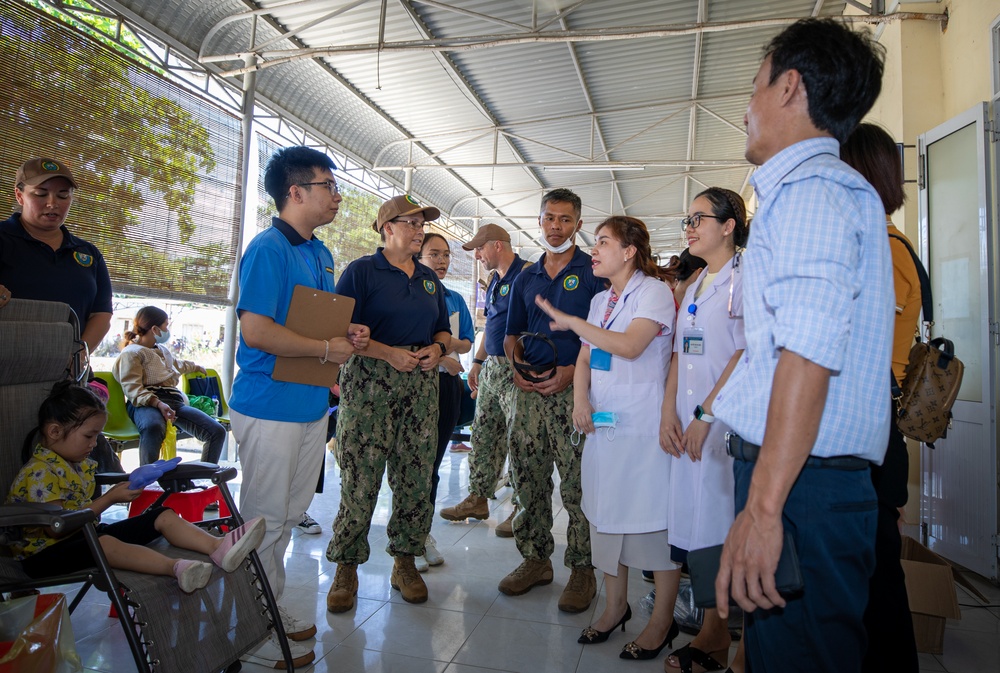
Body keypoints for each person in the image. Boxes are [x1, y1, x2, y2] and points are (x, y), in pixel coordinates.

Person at [712, 18, 889, 673]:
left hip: (799, 486)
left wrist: (763, 507)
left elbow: (806, 355)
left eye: (755, 85)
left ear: (789, 87)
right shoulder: (807, 194)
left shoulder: (813, 193)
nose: (747, 107)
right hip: (798, 477)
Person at [229, 146, 369, 668]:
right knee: (264, 518)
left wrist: (345, 335)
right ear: (295, 192)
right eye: (328, 186)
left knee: (287, 516)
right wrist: (322, 349)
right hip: (269, 406)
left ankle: (267, 606)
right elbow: (257, 330)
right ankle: (250, 624)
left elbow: (312, 324)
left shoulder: (318, 252)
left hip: (310, 403)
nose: (336, 195)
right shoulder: (269, 249)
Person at [536, 216, 677, 659]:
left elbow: (631, 346)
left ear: (630, 250)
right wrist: (581, 401)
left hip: (641, 430)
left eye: (602, 242)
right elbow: (584, 358)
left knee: (651, 525)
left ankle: (661, 622)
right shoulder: (600, 301)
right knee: (605, 519)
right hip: (604, 425)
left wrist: (573, 322)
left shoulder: (653, 292)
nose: (593, 250)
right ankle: (616, 607)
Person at [7, 382, 265, 593]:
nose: (94, 443)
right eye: (89, 436)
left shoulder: (74, 464)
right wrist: (109, 499)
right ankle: (176, 568)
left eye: (97, 436)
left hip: (84, 537)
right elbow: (57, 527)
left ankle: (218, 547)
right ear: (54, 431)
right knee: (105, 543)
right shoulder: (40, 471)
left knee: (160, 515)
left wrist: (133, 480)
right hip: (41, 556)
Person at [326, 194, 451, 610]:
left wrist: (437, 348)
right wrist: (387, 353)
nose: (419, 230)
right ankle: (346, 568)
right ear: (387, 228)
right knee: (361, 479)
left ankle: (405, 561)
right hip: (370, 383)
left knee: (415, 478)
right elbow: (340, 331)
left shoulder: (431, 280)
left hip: (420, 384)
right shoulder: (362, 271)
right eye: (411, 223)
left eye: (421, 224)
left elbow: (443, 331)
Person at [499, 188, 603, 613]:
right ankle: (535, 559)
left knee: (578, 483)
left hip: (574, 391)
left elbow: (604, 338)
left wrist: (570, 375)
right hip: (529, 393)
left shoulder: (594, 272)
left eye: (565, 219)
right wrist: (518, 366)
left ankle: (583, 568)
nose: (556, 226)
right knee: (527, 477)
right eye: (549, 218)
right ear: (538, 222)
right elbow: (510, 337)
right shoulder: (526, 277)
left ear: (579, 224)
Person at [841, 122, 920, 673]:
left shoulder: (887, 252)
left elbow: (861, 343)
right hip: (863, 414)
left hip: (873, 417)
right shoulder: (873, 245)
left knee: (877, 570)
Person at [658, 188, 748, 673]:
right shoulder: (694, 286)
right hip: (689, 425)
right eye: (686, 219)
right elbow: (679, 354)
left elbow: (745, 352)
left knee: (725, 527)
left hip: (724, 425)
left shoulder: (744, 276)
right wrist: (669, 412)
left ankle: (734, 640)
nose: (689, 227)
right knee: (697, 530)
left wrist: (706, 414)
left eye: (699, 218)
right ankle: (713, 632)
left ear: (729, 225)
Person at [439, 223, 529, 538]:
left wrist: (523, 367)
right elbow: (491, 324)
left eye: (480, 249)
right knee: (484, 435)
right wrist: (477, 362)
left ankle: (523, 508)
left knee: (519, 439)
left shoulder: (527, 276)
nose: (477, 256)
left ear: (497, 246)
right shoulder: (494, 280)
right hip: (491, 367)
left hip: (516, 368)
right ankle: (478, 498)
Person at [0, 158, 112, 353]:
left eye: (63, 195)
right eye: (40, 194)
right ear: (19, 196)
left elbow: (101, 314)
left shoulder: (88, 253)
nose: (52, 204)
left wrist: (77, 357)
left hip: (67, 372)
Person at [415, 232, 474, 571]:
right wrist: (441, 357)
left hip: (447, 387)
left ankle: (423, 534)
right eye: (434, 254)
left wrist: (447, 345)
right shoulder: (410, 296)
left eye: (446, 255)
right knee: (413, 466)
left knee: (433, 466)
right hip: (416, 385)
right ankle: (407, 538)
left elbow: (466, 342)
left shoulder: (453, 299)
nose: (441, 261)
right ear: (418, 257)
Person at [112, 306, 226, 466]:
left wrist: (195, 367)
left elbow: (176, 364)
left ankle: (204, 476)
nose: (168, 329)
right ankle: (147, 481)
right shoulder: (132, 354)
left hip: (173, 402)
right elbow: (133, 390)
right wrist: (158, 403)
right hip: (145, 403)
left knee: (216, 432)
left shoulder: (162, 350)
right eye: (166, 325)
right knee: (153, 427)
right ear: (155, 329)